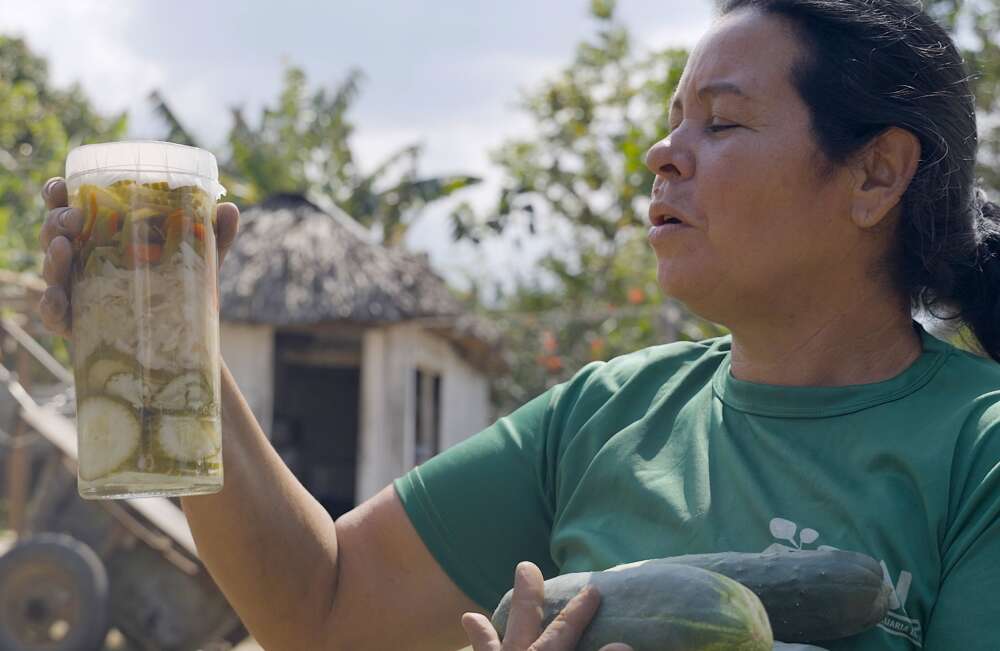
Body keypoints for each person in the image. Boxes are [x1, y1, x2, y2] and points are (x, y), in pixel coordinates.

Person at [36, 0, 1000, 648]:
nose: (665, 152)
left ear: (875, 174)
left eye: (723, 121)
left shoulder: (978, 447)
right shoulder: (605, 413)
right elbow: (318, 607)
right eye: (673, 120)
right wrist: (174, 355)